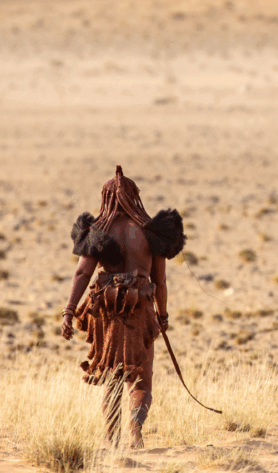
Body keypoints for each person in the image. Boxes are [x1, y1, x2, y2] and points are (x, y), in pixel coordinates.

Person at [61, 166, 185, 448]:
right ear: (135, 197)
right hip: (140, 307)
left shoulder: (97, 232)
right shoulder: (151, 232)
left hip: (106, 311)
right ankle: (135, 430)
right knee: (141, 379)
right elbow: (160, 282)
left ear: (106, 198)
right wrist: (162, 316)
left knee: (112, 378)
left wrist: (69, 311)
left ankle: (111, 440)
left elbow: (82, 274)